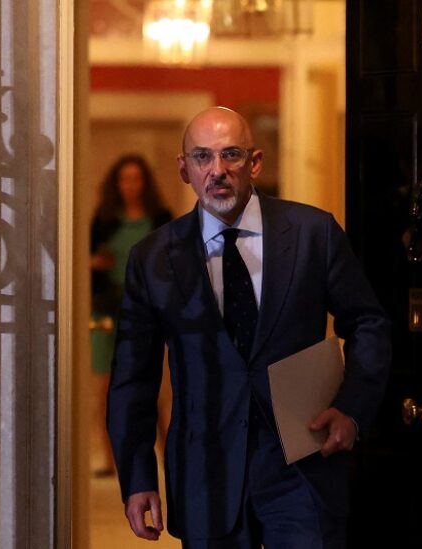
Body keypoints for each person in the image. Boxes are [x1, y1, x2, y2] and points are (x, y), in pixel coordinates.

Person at [107, 107, 391, 548]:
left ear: (254, 163)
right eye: (202, 157)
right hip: (205, 473)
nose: (216, 171)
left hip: (302, 465)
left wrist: (352, 408)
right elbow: (133, 378)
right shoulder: (154, 257)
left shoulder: (313, 233)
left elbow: (369, 323)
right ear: (184, 169)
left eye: (231, 155)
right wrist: (138, 476)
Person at [90, 154, 171, 476]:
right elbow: (85, 261)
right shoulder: (104, 220)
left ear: (145, 182)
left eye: (137, 178)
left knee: (152, 387)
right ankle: (111, 460)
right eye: (125, 179)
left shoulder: (160, 218)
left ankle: (166, 454)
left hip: (147, 311)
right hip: (108, 311)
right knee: (108, 390)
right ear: (116, 183)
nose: (131, 185)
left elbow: (174, 264)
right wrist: (94, 264)